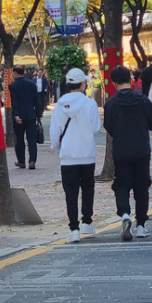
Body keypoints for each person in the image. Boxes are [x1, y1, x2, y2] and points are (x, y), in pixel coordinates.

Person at [104, 66, 152, 241]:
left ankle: (125, 213)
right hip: (142, 149)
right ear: (131, 79)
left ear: (113, 83)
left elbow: (109, 127)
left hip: (121, 150)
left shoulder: (111, 103)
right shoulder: (143, 100)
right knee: (142, 187)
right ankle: (141, 225)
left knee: (122, 185)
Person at [50, 68, 101, 244]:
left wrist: (57, 146)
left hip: (68, 155)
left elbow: (55, 130)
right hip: (87, 153)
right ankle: (87, 221)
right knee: (88, 188)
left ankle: (74, 229)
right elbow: (96, 128)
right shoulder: (90, 104)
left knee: (70, 193)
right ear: (82, 84)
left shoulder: (60, 105)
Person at [9, 65, 42, 169]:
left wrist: (16, 115)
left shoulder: (13, 85)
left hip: (19, 116)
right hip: (31, 115)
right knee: (31, 139)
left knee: (19, 139)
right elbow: (37, 101)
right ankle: (32, 161)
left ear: (15, 73)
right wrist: (38, 114)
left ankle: (21, 161)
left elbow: (14, 102)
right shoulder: (32, 84)